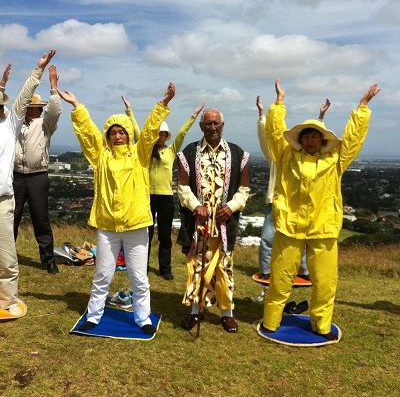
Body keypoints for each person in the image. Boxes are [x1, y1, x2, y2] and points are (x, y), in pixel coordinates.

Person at [261, 78, 379, 339]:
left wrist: (362, 106)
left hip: (323, 229)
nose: (311, 139)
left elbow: (352, 140)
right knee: (280, 279)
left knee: (325, 283)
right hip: (290, 226)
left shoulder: (335, 160)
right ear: (301, 139)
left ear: (322, 139)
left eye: (316, 135)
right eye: (307, 135)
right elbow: (274, 131)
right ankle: (271, 320)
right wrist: (279, 103)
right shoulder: (286, 156)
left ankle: (322, 325)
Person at [57, 83, 175, 334]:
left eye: (122, 131)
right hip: (108, 226)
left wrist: (162, 105)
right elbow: (88, 134)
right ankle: (94, 314)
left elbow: (150, 132)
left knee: (139, 277)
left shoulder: (140, 155)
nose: (118, 135)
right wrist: (77, 107)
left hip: (136, 225)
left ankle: (142, 318)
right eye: (113, 132)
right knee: (102, 275)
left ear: (129, 134)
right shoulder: (101, 156)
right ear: (108, 136)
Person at [177, 108, 250, 333]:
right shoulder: (188, 153)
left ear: (222, 125)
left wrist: (231, 207)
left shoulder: (238, 154)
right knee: (197, 265)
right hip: (198, 224)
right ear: (201, 127)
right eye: (208, 124)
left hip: (224, 224)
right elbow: (182, 188)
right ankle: (195, 312)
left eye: (216, 123)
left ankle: (227, 313)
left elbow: (244, 189)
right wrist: (195, 206)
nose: (212, 127)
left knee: (224, 267)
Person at [0, 50, 56, 319]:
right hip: (12, 183)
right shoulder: (11, 125)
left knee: (37, 223)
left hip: (20, 187)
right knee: (8, 233)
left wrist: (46, 79)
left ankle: (46, 263)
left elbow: (39, 104)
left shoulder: (28, 124)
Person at [123, 96, 204, 280]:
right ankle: (141, 268)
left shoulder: (171, 151)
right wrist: (129, 111)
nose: (160, 136)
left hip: (166, 198)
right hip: (147, 197)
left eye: (163, 134)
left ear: (167, 136)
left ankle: (165, 269)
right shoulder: (145, 150)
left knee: (165, 236)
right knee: (146, 235)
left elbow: (182, 133)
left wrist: (193, 116)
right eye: (158, 133)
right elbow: (137, 132)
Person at [256, 95, 331, 281]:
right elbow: (267, 137)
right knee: (267, 238)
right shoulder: (277, 155)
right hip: (275, 201)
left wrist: (321, 117)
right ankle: (266, 270)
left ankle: (302, 271)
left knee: (302, 237)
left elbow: (315, 141)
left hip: (298, 203)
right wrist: (261, 116)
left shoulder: (300, 156)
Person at [13, 64, 62, 274]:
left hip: (38, 176)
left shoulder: (45, 124)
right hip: (15, 175)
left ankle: (48, 260)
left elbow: (55, 111)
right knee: (10, 217)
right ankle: (6, 256)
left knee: (40, 218)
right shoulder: (14, 124)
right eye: (35, 107)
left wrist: (53, 87)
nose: (37, 110)